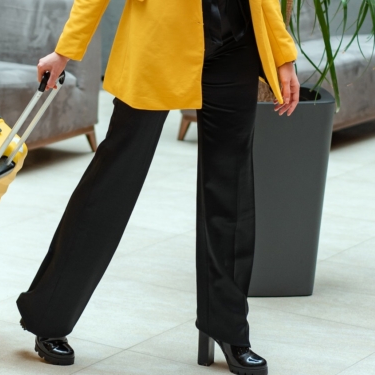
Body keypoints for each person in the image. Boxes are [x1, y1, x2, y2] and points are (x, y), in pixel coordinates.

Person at [16, 0, 299, 374]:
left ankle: (229, 329)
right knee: (111, 184)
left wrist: (283, 56)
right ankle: (48, 317)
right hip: (158, 48)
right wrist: (66, 51)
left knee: (231, 194)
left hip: (236, 49)